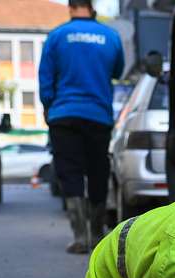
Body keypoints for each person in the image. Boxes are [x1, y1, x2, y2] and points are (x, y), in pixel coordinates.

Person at [39, 0, 125, 254]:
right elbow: (118, 71)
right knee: (98, 171)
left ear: (70, 7)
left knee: (70, 172)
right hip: (98, 115)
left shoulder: (57, 35)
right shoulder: (110, 36)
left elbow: (46, 78)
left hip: (64, 115)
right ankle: (98, 234)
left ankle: (80, 237)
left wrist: (49, 105)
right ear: (92, 7)